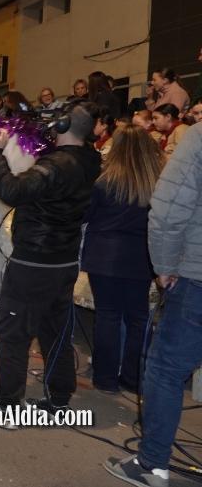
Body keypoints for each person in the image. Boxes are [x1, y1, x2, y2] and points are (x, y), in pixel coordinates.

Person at [0, 103, 102, 421]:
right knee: (55, 331)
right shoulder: (90, 161)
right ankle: (59, 398)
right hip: (63, 262)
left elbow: (11, 190)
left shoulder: (57, 165)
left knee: (13, 332)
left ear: (62, 127)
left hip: (33, 262)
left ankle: (7, 404)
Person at [104, 122, 202, 487]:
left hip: (196, 279)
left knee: (166, 370)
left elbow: (167, 212)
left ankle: (152, 465)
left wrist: (165, 267)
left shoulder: (199, 138)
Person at [81, 126, 163, 395]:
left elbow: (85, 215)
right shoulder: (156, 184)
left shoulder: (105, 182)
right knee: (138, 319)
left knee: (108, 316)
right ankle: (134, 378)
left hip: (104, 257)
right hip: (141, 258)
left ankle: (105, 378)